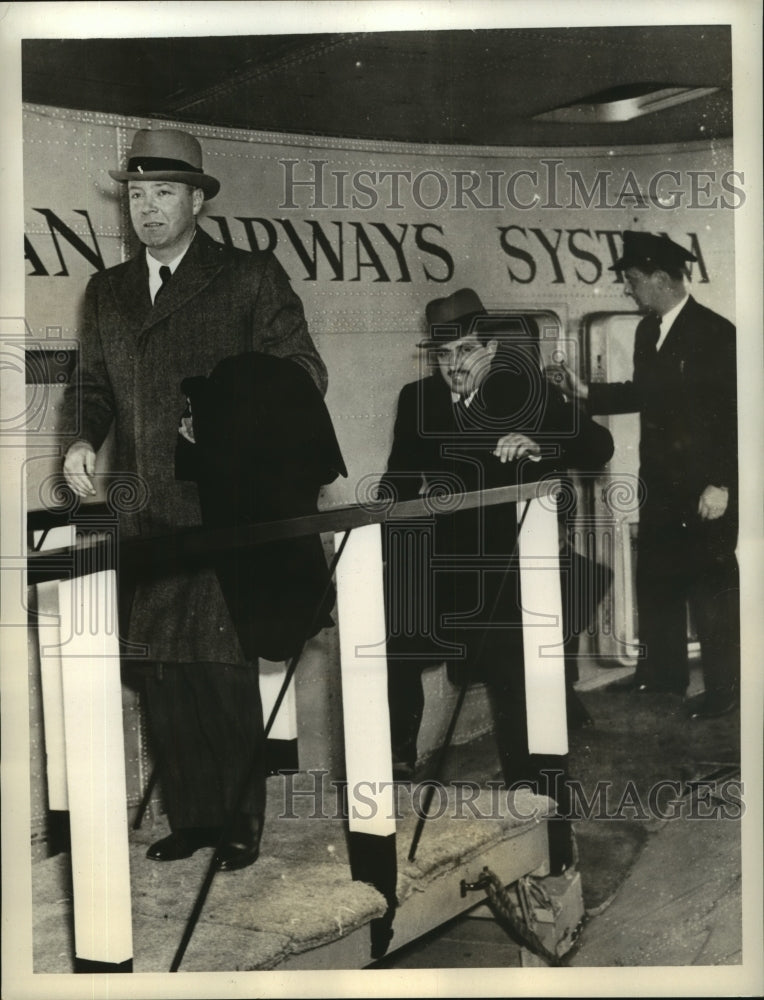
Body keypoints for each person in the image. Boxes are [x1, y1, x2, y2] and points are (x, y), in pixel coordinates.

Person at [62, 127, 329, 870]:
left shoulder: (248, 278)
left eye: (165, 193)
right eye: (137, 195)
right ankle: (194, 817)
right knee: (161, 673)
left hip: (222, 511)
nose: (147, 209)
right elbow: (92, 386)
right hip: (141, 510)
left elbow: (303, 372)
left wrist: (227, 417)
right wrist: (82, 438)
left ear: (198, 201)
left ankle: (241, 820)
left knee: (219, 667)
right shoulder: (107, 291)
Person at [378, 288, 614, 873]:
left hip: (511, 577)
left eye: (464, 352)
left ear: (488, 349)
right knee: (389, 639)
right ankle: (398, 766)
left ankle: (548, 842)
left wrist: (541, 442)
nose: (453, 366)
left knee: (522, 709)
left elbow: (597, 444)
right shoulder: (418, 400)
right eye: (442, 356)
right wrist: (383, 553)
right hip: (442, 572)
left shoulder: (522, 391)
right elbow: (396, 483)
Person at [547, 231, 739, 720]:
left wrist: (723, 484)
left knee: (709, 588)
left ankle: (725, 689)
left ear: (659, 278)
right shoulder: (646, 331)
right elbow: (645, 394)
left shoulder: (717, 333)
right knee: (658, 578)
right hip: (661, 482)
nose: (627, 290)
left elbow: (737, 414)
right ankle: (663, 675)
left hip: (705, 488)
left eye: (632, 280)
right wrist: (584, 391)